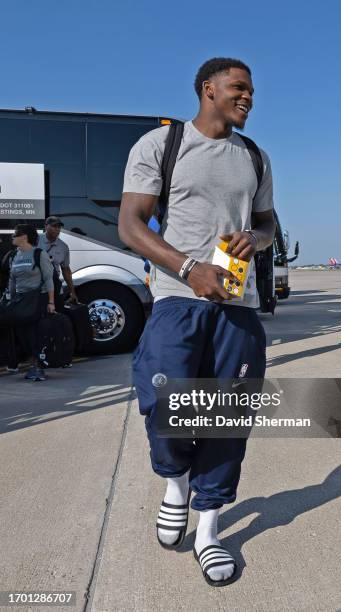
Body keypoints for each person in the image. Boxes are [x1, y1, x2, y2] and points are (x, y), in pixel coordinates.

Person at [119, 57, 276, 586]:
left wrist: (255, 240)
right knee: (165, 400)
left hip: (239, 306)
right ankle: (175, 483)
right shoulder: (160, 146)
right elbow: (130, 223)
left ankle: (208, 529)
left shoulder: (254, 156)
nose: (248, 97)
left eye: (251, 90)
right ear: (208, 89)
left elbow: (268, 222)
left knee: (227, 421)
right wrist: (189, 269)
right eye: (239, 87)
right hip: (176, 300)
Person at [8, 224, 55, 381]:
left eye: (15, 234)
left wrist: (51, 302)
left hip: (37, 300)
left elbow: (49, 279)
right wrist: (11, 299)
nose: (12, 236)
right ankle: (32, 365)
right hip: (20, 301)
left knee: (34, 334)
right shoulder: (14, 255)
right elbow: (12, 281)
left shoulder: (39, 254)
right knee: (21, 334)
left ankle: (38, 367)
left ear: (25, 236)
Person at [37, 216, 78, 311]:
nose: (57, 229)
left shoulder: (63, 247)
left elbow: (66, 270)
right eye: (54, 226)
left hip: (55, 288)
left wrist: (72, 292)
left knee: (56, 315)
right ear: (46, 226)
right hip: (37, 288)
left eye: (59, 227)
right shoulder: (36, 240)